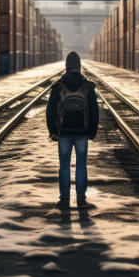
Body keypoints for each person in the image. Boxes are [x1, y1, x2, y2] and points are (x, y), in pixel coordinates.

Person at [46, 51, 99, 208]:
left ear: (66, 67)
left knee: (64, 165)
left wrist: (52, 131)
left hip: (64, 133)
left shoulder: (59, 86)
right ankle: (81, 197)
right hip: (82, 133)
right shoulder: (87, 86)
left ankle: (64, 198)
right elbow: (95, 110)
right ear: (79, 67)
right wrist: (92, 131)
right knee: (81, 164)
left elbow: (50, 110)